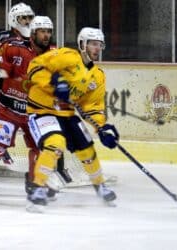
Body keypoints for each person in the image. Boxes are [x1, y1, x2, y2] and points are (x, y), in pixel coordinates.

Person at [25, 27, 119, 212]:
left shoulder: (98, 75)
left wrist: (101, 128)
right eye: (93, 44)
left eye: (99, 45)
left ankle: (100, 185)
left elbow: (92, 106)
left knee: (86, 147)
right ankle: (37, 189)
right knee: (55, 144)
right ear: (82, 44)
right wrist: (53, 83)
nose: (97, 48)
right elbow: (34, 67)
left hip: (66, 114)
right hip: (42, 109)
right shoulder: (67, 56)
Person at [0, 16, 54, 200]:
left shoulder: (55, 56)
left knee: (42, 149)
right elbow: (4, 71)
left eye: (49, 32)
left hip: (35, 112)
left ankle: (34, 183)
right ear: (34, 33)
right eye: (43, 31)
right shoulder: (14, 48)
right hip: (8, 109)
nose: (46, 36)